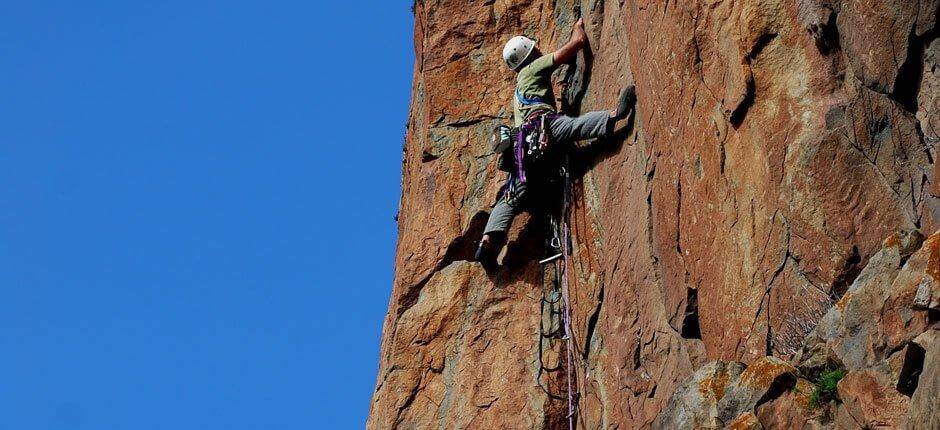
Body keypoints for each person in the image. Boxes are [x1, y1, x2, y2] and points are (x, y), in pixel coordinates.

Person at [475, 18, 637, 267]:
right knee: (573, 127)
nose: (539, 49)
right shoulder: (533, 68)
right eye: (534, 48)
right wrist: (578, 27)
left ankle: (489, 239)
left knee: (511, 198)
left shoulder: (518, 89)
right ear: (529, 53)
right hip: (543, 129)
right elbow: (576, 45)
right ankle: (614, 116)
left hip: (523, 152)